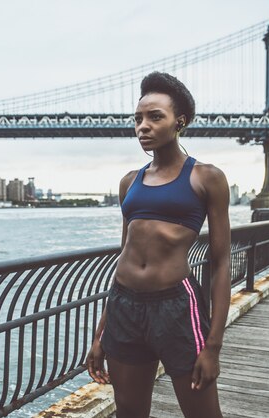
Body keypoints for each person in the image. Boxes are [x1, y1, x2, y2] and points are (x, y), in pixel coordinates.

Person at [86, 72, 231, 418]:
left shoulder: (206, 177)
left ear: (180, 122)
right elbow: (125, 254)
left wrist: (213, 346)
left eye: (155, 117)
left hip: (176, 308)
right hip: (124, 306)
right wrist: (100, 335)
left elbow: (222, 260)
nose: (143, 127)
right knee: (129, 412)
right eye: (137, 119)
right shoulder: (129, 182)